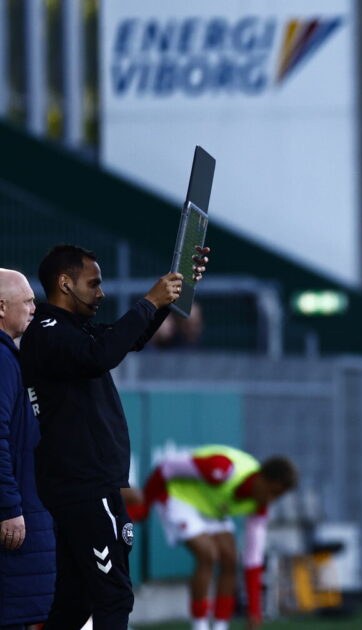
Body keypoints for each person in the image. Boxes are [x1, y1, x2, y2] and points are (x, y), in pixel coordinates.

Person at [20, 243, 209, 630]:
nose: (101, 293)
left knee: (75, 603)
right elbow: (100, 354)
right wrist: (148, 302)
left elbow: (126, 340)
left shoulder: (70, 330)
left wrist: (174, 293)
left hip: (84, 485)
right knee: (114, 596)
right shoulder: (49, 331)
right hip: (84, 486)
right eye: (94, 283)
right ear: (65, 283)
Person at [127, 446, 297, 630]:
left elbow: (252, 560)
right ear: (262, 478)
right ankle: (199, 626)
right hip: (179, 498)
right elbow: (166, 468)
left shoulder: (260, 506)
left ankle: (220, 626)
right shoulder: (222, 470)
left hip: (211, 510)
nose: (271, 500)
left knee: (230, 559)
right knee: (208, 554)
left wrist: (254, 612)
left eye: (277, 496)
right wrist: (145, 505)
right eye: (272, 492)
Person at [0, 268, 54, 630]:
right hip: (13, 516)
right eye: (28, 301)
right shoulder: (2, 359)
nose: (35, 307)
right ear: (2, 307)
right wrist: (8, 505)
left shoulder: (10, 356)